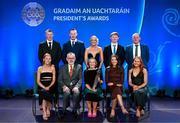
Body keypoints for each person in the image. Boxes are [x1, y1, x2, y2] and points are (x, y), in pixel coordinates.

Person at [38, 29, 62, 108]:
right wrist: (46, 65)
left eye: (51, 34)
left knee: (55, 86)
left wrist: (52, 66)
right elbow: (40, 56)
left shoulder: (57, 44)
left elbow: (59, 56)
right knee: (43, 86)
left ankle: (55, 102)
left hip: (55, 68)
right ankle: (42, 103)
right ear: (46, 35)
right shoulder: (41, 44)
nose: (49, 36)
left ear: (53, 35)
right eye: (48, 34)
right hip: (45, 69)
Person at [58, 52, 82, 117]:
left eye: (72, 58)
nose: (71, 60)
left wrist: (77, 87)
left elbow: (80, 79)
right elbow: (59, 80)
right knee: (67, 92)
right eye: (69, 58)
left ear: (75, 59)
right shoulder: (62, 67)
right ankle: (64, 110)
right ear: (66, 59)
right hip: (65, 86)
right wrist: (64, 86)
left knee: (76, 92)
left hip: (75, 86)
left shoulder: (79, 67)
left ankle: (75, 110)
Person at [37, 53, 56, 120]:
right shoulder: (40, 68)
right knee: (44, 93)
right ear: (43, 59)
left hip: (51, 86)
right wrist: (44, 87)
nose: (48, 60)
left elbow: (53, 80)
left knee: (48, 92)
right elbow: (38, 81)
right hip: (42, 86)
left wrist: (49, 86)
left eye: (49, 59)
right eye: (46, 58)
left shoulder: (52, 68)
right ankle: (45, 111)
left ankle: (48, 108)